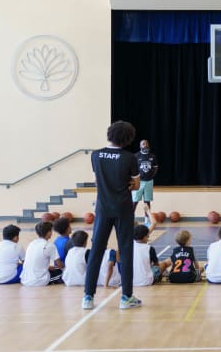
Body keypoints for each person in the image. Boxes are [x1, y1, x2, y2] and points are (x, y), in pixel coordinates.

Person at [83, 121, 141, 310]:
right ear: (127, 138)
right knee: (125, 251)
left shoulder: (96, 155)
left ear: (110, 134)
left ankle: (88, 297)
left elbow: (97, 180)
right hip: (123, 208)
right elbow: (137, 185)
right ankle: (126, 298)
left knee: (96, 251)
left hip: (102, 208)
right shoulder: (129, 158)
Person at [21, 221, 63, 286]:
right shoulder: (49, 245)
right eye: (51, 231)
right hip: (39, 281)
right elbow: (60, 265)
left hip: (25, 279)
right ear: (49, 232)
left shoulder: (31, 243)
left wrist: (47, 267)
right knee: (64, 273)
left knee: (54, 269)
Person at [132, 139, 159, 233]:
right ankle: (131, 219)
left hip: (149, 182)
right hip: (139, 182)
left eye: (147, 144)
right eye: (143, 144)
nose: (145, 145)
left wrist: (151, 176)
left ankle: (147, 221)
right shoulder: (136, 156)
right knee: (134, 201)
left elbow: (155, 168)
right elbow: (132, 169)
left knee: (147, 202)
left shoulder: (152, 156)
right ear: (140, 146)